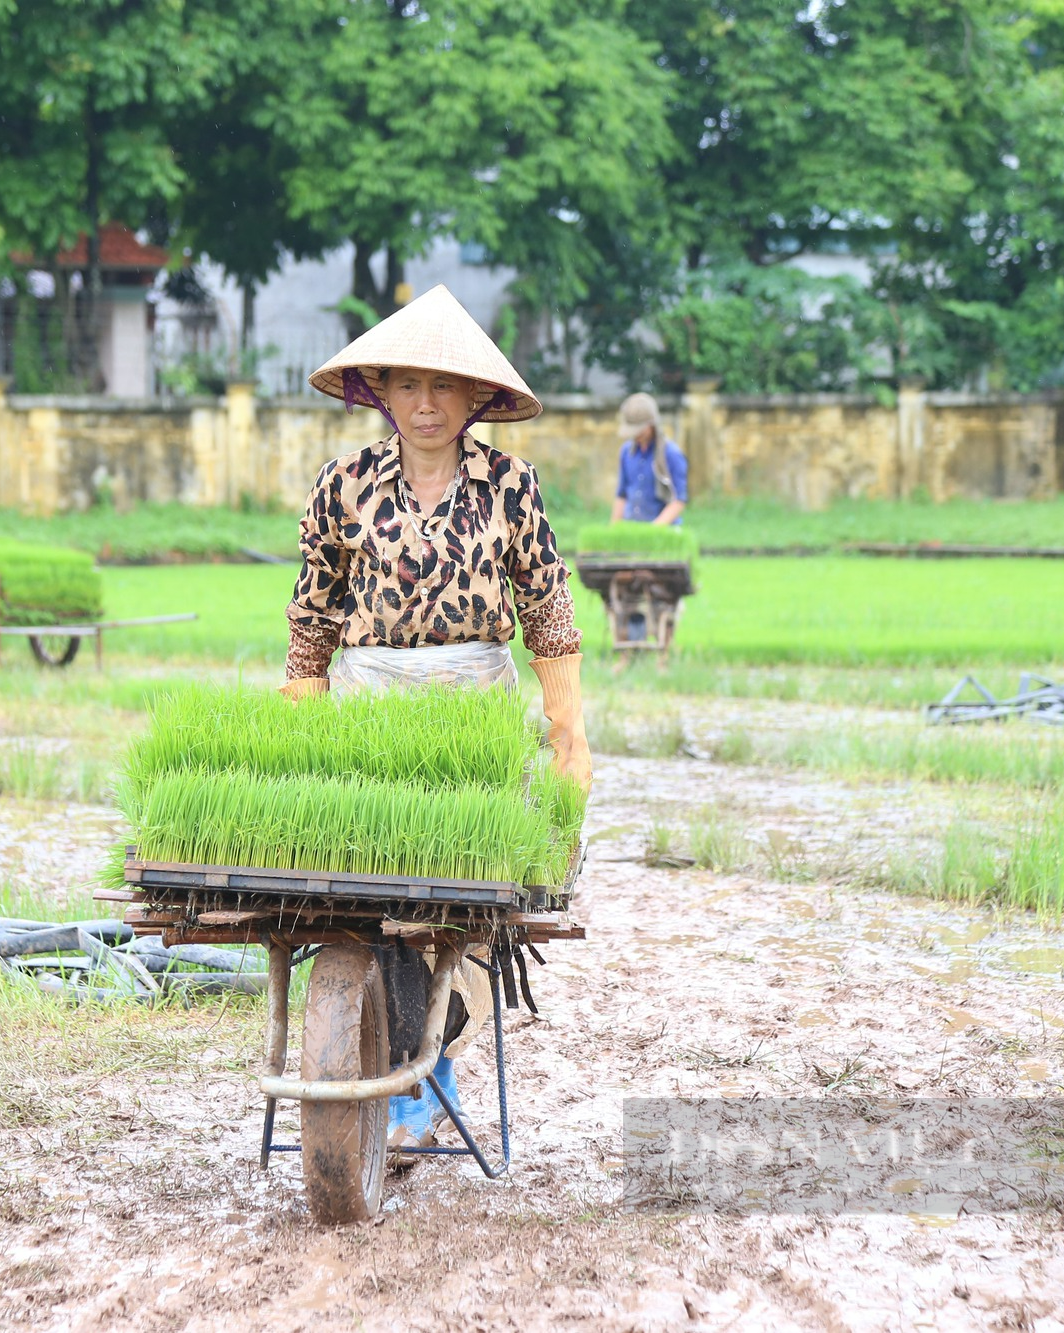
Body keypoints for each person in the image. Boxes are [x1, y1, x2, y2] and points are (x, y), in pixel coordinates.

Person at [282, 284, 592, 1160]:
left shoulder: (509, 485)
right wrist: (304, 704)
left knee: (461, 897)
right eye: (407, 385)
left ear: (475, 399)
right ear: (381, 390)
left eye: (444, 387)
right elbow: (314, 617)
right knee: (371, 893)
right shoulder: (343, 487)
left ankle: (434, 1060)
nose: (425, 404)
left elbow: (549, 610)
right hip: (375, 708)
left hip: (476, 712)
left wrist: (567, 729)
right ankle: (396, 1058)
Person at [612, 392, 688, 527]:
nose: (635, 434)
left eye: (639, 430)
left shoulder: (671, 454)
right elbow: (622, 495)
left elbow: (679, 500)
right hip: (632, 527)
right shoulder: (626, 452)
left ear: (651, 425)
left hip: (664, 531)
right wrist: (613, 530)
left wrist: (653, 529)